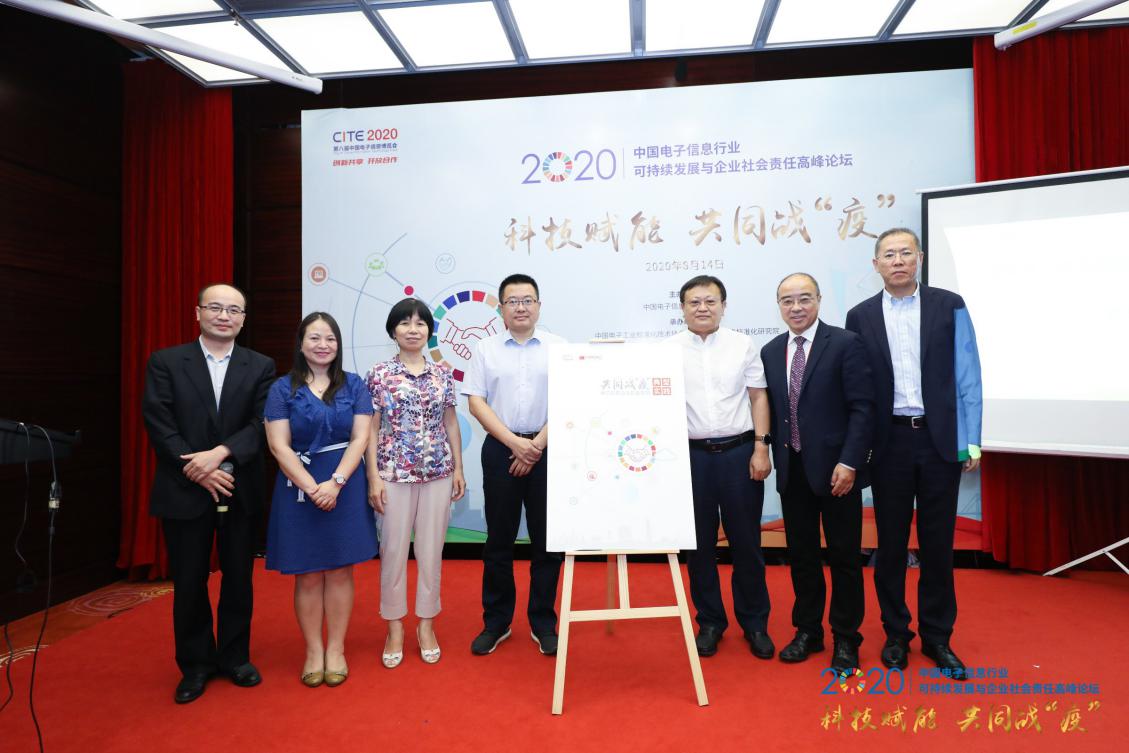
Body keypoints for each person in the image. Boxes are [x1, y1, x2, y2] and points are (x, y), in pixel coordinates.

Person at [845, 228, 982, 680]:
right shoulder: (860, 316)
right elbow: (858, 387)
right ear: (876, 265)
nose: (898, 260)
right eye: (889, 254)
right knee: (890, 545)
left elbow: (969, 373)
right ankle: (896, 634)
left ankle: (938, 637)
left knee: (938, 545)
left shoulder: (949, 305)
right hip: (889, 445)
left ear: (919, 258)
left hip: (940, 441)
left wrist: (972, 440)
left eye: (906, 252)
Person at [142, 283, 276, 704]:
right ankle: (196, 664)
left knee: (239, 578)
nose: (224, 315)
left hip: (239, 485)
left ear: (243, 319)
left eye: (234, 310)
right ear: (197, 312)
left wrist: (219, 455)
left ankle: (235, 657)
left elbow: (262, 423)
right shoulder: (166, 362)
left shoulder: (261, 365)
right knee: (189, 580)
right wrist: (196, 469)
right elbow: (159, 422)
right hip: (184, 485)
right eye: (215, 307)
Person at [761, 273, 874, 672]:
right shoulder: (770, 351)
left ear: (819, 300)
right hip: (792, 471)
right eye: (787, 300)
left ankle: (846, 637)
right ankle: (807, 631)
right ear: (779, 305)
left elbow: (863, 408)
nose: (796, 307)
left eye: (804, 298)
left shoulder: (845, 343)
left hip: (838, 472)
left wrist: (850, 462)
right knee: (803, 557)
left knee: (844, 558)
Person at [263, 312, 376, 688]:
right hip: (299, 486)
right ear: (300, 344)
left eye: (330, 338)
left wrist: (336, 483)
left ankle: (336, 648)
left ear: (338, 345)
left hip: (345, 482)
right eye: (314, 338)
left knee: (341, 569)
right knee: (308, 572)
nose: (323, 345)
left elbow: (361, 438)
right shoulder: (282, 389)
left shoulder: (355, 385)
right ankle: (314, 650)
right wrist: (313, 487)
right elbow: (278, 446)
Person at [667, 275, 774, 659]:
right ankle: (710, 622)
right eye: (694, 302)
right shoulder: (667, 351)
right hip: (690, 457)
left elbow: (758, 398)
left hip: (739, 454)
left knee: (747, 543)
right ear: (682, 308)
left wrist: (761, 448)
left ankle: (755, 623)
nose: (702, 308)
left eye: (710, 301)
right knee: (699, 547)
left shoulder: (742, 344)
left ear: (723, 306)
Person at [462, 273, 565, 656]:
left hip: (548, 447)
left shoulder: (559, 347)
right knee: (499, 540)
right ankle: (496, 621)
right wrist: (514, 444)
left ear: (538, 305)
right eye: (513, 301)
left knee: (547, 542)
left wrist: (535, 445)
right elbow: (476, 402)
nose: (521, 307)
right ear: (501, 308)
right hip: (500, 449)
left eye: (527, 300)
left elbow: (571, 399)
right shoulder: (485, 349)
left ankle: (543, 621)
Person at [365, 298, 466, 668]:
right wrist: (372, 477)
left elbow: (450, 422)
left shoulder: (442, 374)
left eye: (420, 323)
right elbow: (371, 428)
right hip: (392, 474)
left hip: (438, 472)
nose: (413, 329)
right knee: (392, 551)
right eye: (405, 323)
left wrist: (458, 468)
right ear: (393, 330)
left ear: (428, 331)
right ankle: (394, 627)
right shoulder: (379, 374)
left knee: (430, 552)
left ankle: (426, 625)